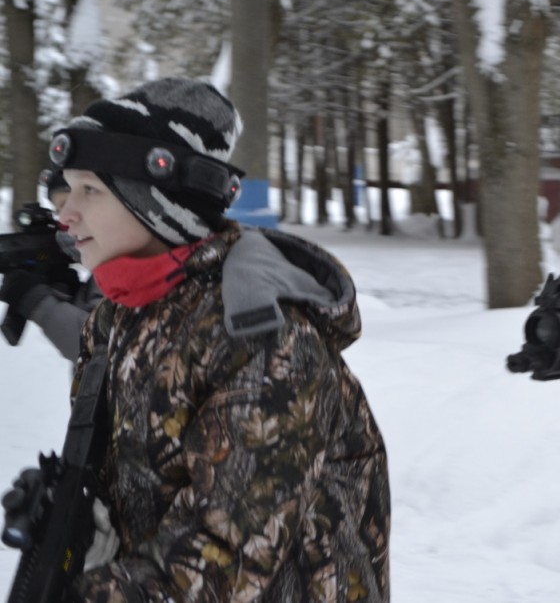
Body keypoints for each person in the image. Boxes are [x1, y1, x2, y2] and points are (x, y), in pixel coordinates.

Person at [46, 77, 389, 601]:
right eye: (67, 188)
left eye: (90, 189)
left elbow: (225, 556)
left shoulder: (261, 338)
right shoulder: (118, 321)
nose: (66, 212)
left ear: (156, 203)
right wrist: (74, 520)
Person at [0, 170, 103, 361]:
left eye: (67, 205)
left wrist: (37, 302)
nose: (63, 220)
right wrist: (76, 298)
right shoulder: (105, 269)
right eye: (58, 212)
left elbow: (100, 350)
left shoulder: (128, 265)